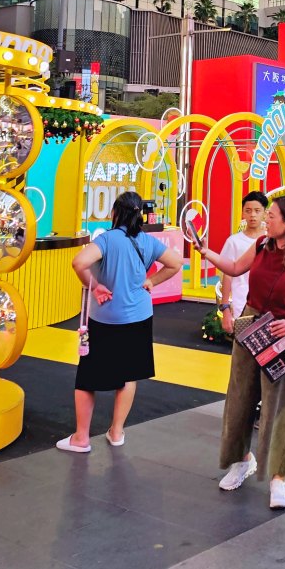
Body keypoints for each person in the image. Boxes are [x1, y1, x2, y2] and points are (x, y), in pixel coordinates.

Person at [196, 195, 285, 509]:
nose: (264, 220)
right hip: (249, 327)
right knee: (239, 397)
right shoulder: (259, 247)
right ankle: (241, 460)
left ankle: (278, 477)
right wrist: (206, 251)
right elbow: (233, 267)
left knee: (278, 407)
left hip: (282, 335)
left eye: (270, 216)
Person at [60, 192, 183, 453]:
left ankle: (81, 438)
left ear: (116, 212)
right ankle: (116, 432)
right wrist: (151, 282)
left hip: (104, 317)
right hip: (139, 316)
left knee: (88, 377)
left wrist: (95, 287)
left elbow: (78, 262)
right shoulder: (147, 242)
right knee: (128, 375)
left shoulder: (107, 239)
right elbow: (175, 264)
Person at [217, 191, 269, 334]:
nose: (252, 215)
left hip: (269, 306)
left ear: (265, 213)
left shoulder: (272, 240)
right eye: (248, 211)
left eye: (257, 211)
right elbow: (227, 274)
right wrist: (226, 307)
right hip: (241, 304)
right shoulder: (233, 241)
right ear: (243, 214)